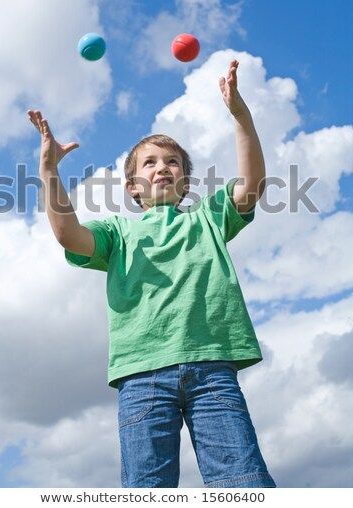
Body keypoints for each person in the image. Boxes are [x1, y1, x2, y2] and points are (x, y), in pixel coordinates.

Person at [27, 59, 276, 488]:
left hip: (212, 368)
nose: (163, 167)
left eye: (173, 162)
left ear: (185, 181)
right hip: (142, 376)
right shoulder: (117, 232)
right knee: (147, 489)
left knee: (243, 483)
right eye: (150, 163)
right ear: (132, 187)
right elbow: (68, 235)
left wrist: (240, 116)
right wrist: (49, 170)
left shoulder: (209, 218)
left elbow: (251, 184)